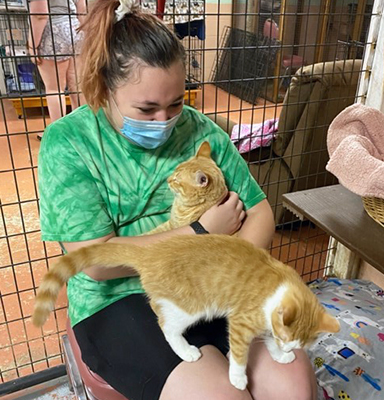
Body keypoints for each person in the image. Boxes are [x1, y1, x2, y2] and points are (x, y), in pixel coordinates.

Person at [37, 0, 318, 399]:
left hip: (214, 285)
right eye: (147, 109)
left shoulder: (203, 134)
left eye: (175, 104)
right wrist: (201, 232)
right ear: (105, 88)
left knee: (294, 386)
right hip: (120, 299)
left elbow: (259, 212)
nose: (165, 122)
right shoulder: (69, 143)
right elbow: (96, 262)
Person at [27, 0, 86, 138]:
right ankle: (82, 129)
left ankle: (58, 134)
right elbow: (81, 7)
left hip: (53, 30)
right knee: (76, 85)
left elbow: (40, 14)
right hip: (76, 29)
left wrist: (32, 46)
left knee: (54, 89)